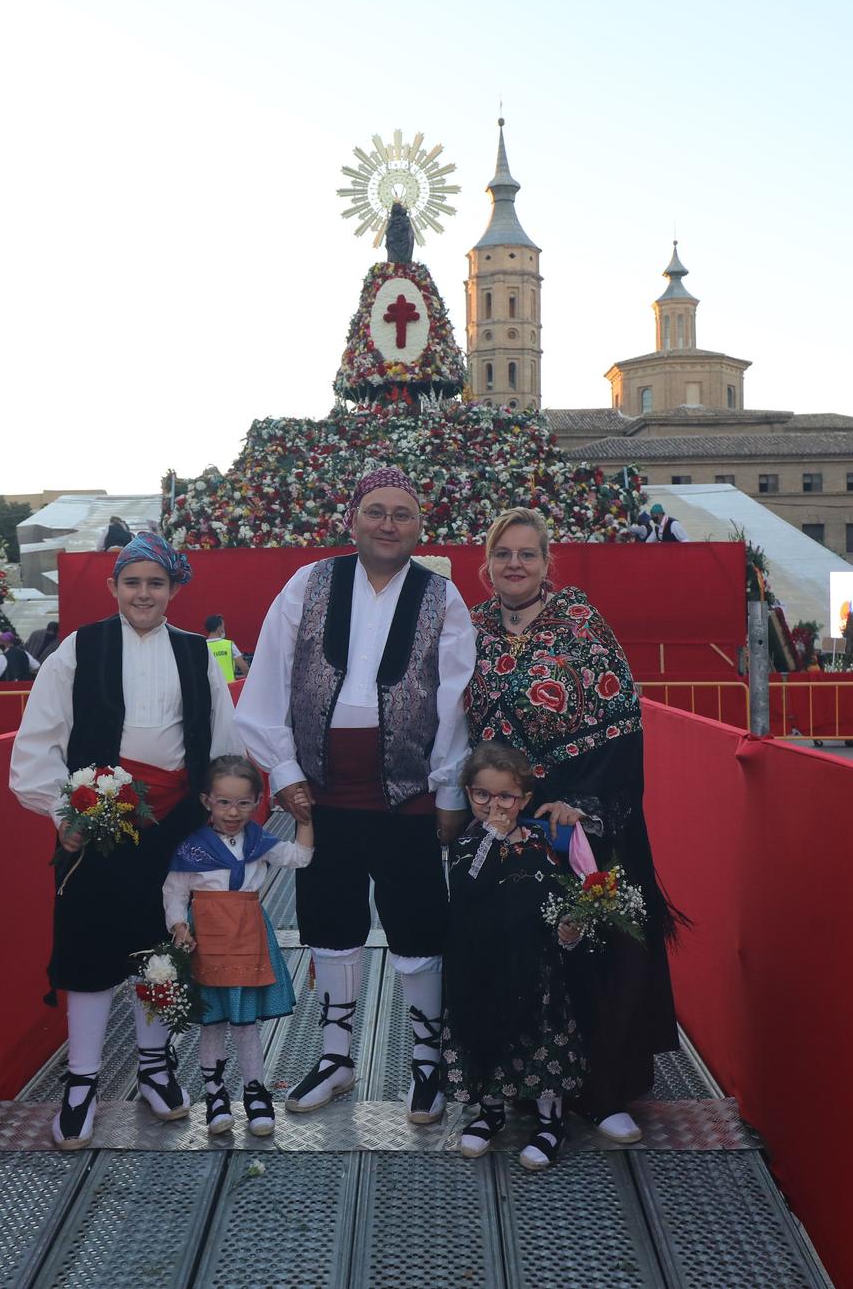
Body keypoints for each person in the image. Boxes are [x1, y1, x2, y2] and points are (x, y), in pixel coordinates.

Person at [237, 466, 476, 1126]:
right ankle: (337, 1057)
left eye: (403, 512)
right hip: (323, 792)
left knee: (418, 925)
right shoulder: (307, 584)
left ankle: (428, 1064)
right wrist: (282, 767)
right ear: (352, 517)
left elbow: (456, 700)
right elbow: (267, 682)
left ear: (419, 524)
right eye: (377, 510)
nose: (389, 523)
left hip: (408, 793)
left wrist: (451, 787)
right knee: (329, 920)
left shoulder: (442, 597)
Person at [9, 532, 244, 1150]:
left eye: (156, 583)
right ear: (113, 588)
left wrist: (221, 817)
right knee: (87, 950)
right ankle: (81, 1081)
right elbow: (39, 741)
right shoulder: (77, 650)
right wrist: (66, 811)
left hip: (174, 827)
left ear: (173, 590)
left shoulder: (198, 656)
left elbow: (223, 745)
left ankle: (154, 1064)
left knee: (161, 951)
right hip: (100, 825)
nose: (144, 593)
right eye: (132, 582)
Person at [464, 507, 683, 1144]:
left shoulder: (581, 624)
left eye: (528, 554)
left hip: (573, 819)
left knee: (587, 951)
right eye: (504, 553)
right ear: (487, 562)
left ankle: (601, 1088)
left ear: (546, 563)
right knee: (505, 953)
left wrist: (578, 808)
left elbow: (620, 726)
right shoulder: (471, 628)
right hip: (497, 816)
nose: (515, 564)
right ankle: (510, 1087)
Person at [444, 742, 587, 1172]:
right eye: (481, 795)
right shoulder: (468, 842)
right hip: (481, 967)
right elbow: (469, 887)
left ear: (525, 799)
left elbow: (565, 897)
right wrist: (493, 834)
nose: (494, 806)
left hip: (537, 967)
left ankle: (549, 1122)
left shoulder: (544, 842)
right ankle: (490, 1112)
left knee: (541, 1042)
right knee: (485, 1038)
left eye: (505, 796)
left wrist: (569, 932)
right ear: (468, 793)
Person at [163, 754, 315, 1138]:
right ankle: (215, 1094)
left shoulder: (259, 842)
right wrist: (179, 926)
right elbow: (175, 891)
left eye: (244, 802)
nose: (234, 811)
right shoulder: (192, 848)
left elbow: (299, 858)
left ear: (258, 802)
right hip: (207, 941)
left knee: (246, 1023)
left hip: (247, 936)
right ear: (206, 801)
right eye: (224, 802)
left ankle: (255, 1092)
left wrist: (304, 821)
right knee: (212, 1022)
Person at [202, 614, 247, 681]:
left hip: (211, 688)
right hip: (229, 687)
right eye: (223, 627)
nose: (224, 630)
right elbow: (244, 668)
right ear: (219, 628)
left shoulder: (202, 647)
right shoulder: (229, 645)